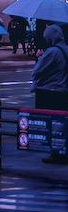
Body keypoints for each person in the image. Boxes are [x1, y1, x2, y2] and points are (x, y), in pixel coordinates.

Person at [33, 24, 68, 163]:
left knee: (51, 125)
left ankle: (56, 153)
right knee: (62, 124)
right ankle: (63, 151)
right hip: (63, 90)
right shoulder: (66, 49)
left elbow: (37, 71)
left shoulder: (52, 52)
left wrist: (39, 57)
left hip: (50, 91)